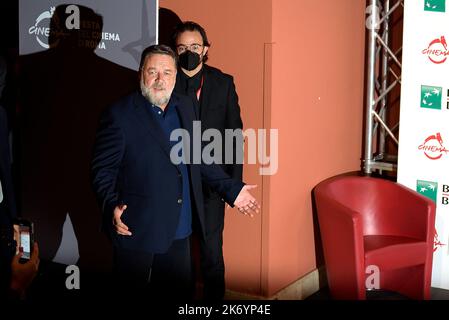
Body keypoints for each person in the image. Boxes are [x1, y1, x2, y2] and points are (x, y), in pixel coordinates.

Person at [90, 44, 259, 300]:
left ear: (176, 76)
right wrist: (110, 204)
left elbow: (198, 158)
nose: (160, 79)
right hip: (137, 228)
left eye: (167, 72)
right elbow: (102, 170)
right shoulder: (119, 115)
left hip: (180, 230)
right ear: (141, 74)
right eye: (153, 71)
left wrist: (232, 189)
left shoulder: (185, 106)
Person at [171, 21, 244, 300]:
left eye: (194, 46)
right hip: (175, 184)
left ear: (205, 49)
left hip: (211, 186)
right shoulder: (165, 82)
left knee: (212, 255)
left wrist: (232, 186)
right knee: (179, 257)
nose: (189, 52)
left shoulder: (223, 83)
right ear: (174, 51)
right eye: (182, 47)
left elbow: (234, 136)